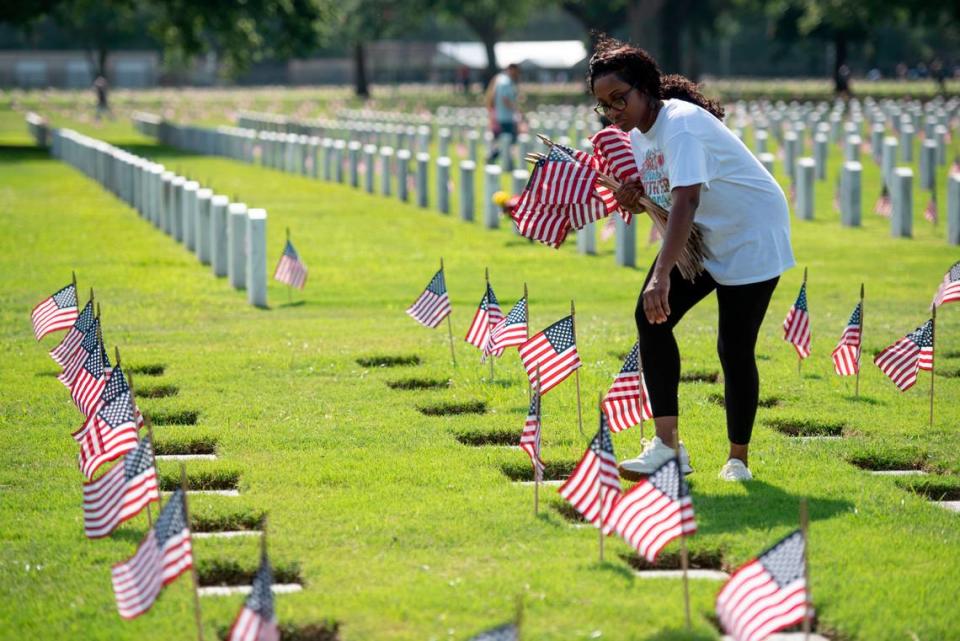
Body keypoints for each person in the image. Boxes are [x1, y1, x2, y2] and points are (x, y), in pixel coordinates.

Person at [588, 36, 794, 482]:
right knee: (651, 318)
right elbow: (666, 199)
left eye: (619, 98)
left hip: (751, 233)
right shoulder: (641, 135)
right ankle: (667, 448)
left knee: (734, 347)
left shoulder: (680, 125)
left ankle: (738, 459)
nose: (613, 111)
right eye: (604, 105)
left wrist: (661, 273)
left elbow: (686, 201)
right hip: (703, 238)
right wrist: (638, 196)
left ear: (645, 88)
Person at [485, 63, 521, 164]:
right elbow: (505, 99)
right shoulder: (506, 82)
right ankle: (493, 156)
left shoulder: (501, 79)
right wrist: (515, 109)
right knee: (509, 140)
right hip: (506, 116)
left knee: (504, 140)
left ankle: (494, 156)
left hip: (501, 115)